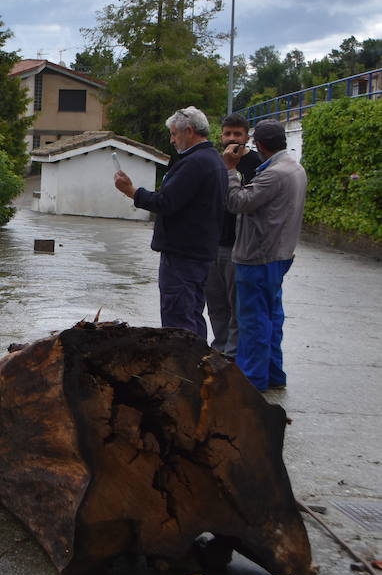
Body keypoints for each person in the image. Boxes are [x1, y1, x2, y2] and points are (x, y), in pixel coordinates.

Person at [113, 106, 227, 338]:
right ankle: (197, 367)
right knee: (192, 315)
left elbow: (166, 202)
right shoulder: (212, 159)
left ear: (190, 131)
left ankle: (183, 370)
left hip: (183, 255)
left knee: (179, 320)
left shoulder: (195, 163)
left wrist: (131, 191)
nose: (172, 140)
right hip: (198, 252)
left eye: (175, 134)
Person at [222, 119, 306, 391]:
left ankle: (252, 379)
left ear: (258, 145)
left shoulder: (274, 174)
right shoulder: (295, 168)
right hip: (280, 254)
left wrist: (230, 171)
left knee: (252, 321)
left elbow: (237, 203)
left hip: (257, 256)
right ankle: (273, 375)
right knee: (271, 317)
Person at [204, 113, 260, 358]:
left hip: (240, 248)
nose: (232, 138)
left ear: (247, 136)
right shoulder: (215, 162)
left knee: (236, 305)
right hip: (213, 244)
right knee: (215, 304)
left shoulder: (257, 165)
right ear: (221, 136)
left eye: (238, 134)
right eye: (228, 133)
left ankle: (234, 354)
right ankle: (220, 347)